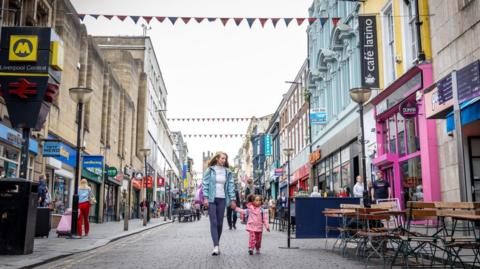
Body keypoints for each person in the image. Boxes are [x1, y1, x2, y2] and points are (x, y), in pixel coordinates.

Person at [202, 151, 237, 256]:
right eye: (222, 158)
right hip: (212, 199)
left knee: (220, 223)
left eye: (225, 159)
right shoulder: (210, 170)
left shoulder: (228, 172)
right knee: (213, 222)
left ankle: (217, 243)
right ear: (217, 158)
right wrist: (206, 198)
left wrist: (233, 199)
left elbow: (231, 186)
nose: (224, 160)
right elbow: (205, 184)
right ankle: (216, 246)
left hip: (222, 199)